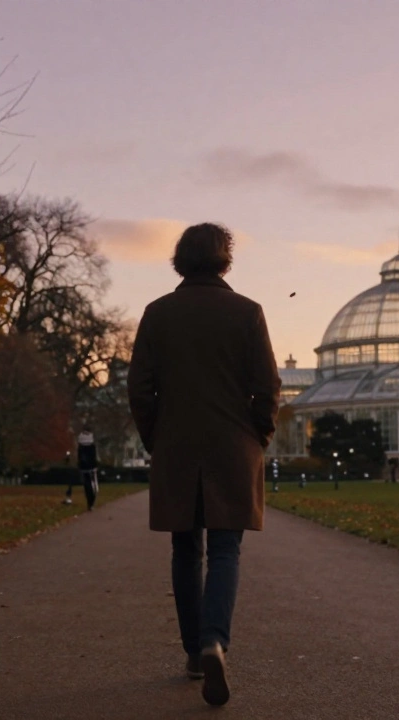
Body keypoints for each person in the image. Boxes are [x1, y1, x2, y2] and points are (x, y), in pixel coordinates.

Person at [128, 223, 280, 708]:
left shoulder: (157, 314)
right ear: (224, 259)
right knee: (226, 551)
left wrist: (157, 437)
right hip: (233, 447)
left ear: (179, 259)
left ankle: (195, 653)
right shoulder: (247, 312)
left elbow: (140, 389)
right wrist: (258, 435)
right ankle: (216, 640)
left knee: (184, 549)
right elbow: (268, 386)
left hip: (177, 446)